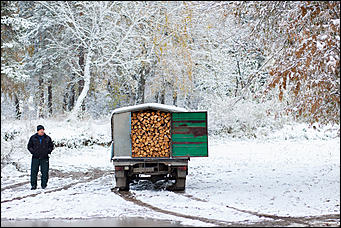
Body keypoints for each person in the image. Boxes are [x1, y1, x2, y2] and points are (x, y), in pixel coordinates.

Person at [27, 125, 54, 190]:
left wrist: (48, 151)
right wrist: (33, 152)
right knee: (34, 172)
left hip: (45, 158)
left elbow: (51, 146)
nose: (42, 131)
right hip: (35, 158)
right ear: (37, 131)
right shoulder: (33, 138)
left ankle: (44, 185)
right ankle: (33, 185)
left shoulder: (47, 138)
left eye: (43, 130)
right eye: (40, 130)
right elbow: (29, 146)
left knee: (45, 172)